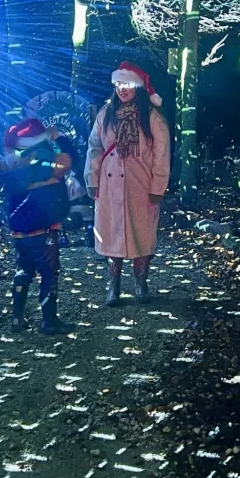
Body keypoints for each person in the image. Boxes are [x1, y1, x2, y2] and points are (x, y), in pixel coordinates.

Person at [84, 62, 170, 306]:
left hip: (140, 185)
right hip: (109, 186)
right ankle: (114, 287)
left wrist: (157, 187)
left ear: (138, 87)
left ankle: (141, 285)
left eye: (128, 84)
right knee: (112, 236)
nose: (123, 89)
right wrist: (92, 179)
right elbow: (95, 147)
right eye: (119, 84)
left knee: (141, 235)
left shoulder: (151, 117)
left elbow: (161, 154)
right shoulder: (106, 113)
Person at [0, 118, 75, 334]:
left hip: (19, 230)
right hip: (44, 226)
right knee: (49, 271)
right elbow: (68, 161)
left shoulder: (7, 164)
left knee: (24, 269)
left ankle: (17, 319)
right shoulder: (44, 160)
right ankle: (49, 320)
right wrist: (56, 138)